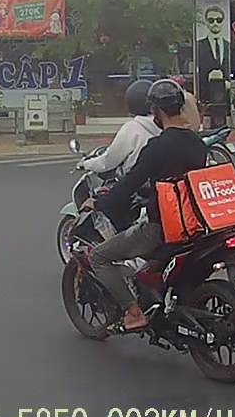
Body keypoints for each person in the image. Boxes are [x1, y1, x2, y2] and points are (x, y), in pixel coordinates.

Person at [90, 80, 209, 332]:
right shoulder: (198, 144)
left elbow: (128, 184)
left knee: (98, 256)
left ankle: (134, 314)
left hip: (162, 228)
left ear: (157, 110)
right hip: (196, 225)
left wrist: (99, 202)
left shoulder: (156, 147)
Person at [78, 79, 163, 229]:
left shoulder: (132, 128)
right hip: (159, 190)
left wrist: (86, 164)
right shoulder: (164, 125)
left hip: (134, 188)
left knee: (106, 204)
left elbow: (108, 161)